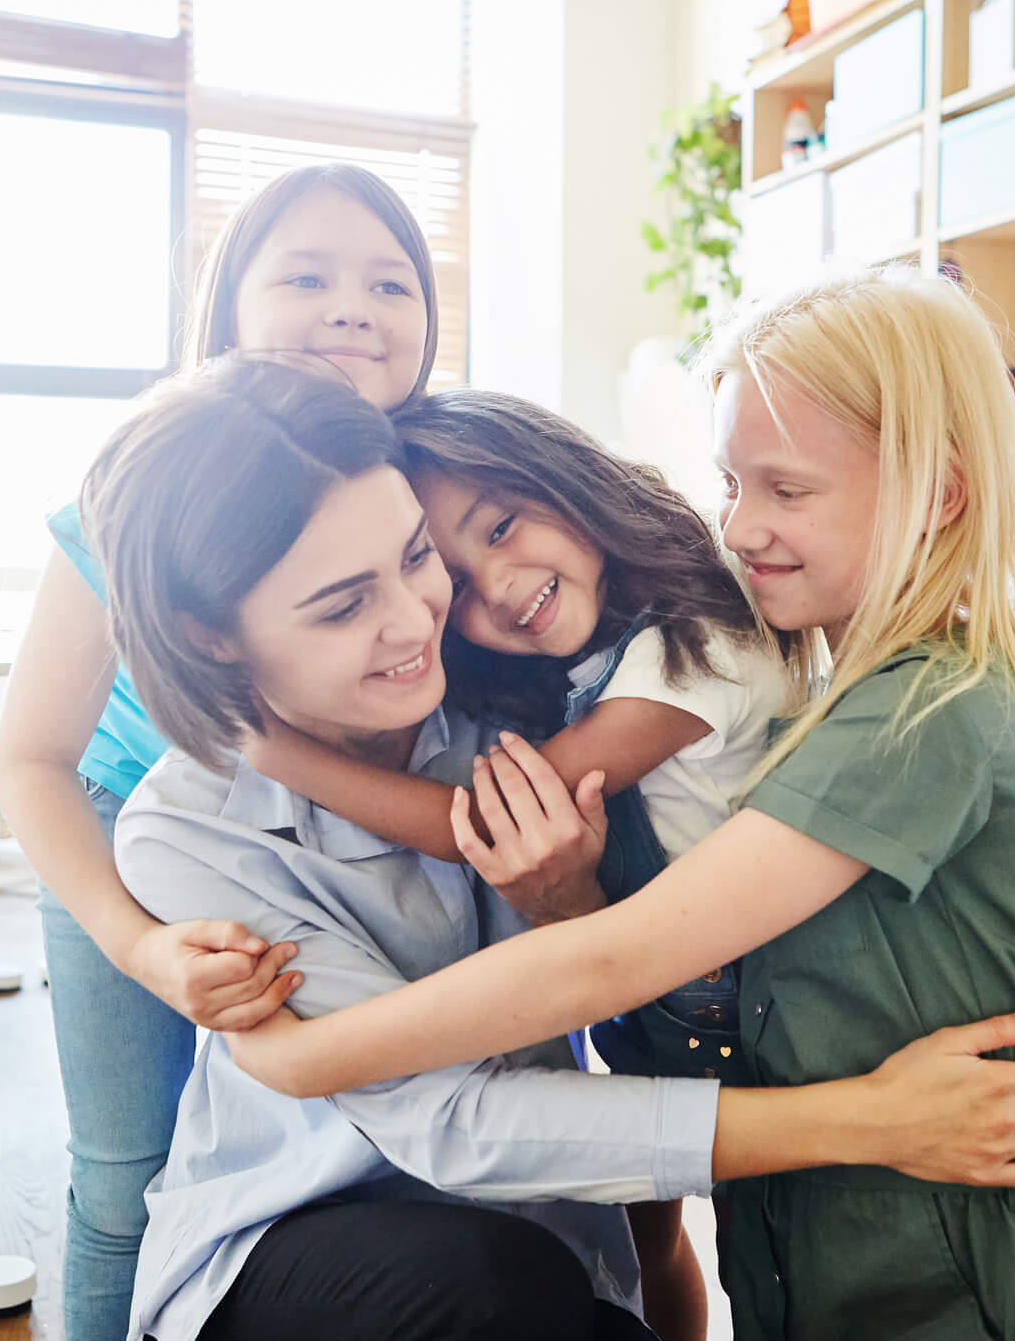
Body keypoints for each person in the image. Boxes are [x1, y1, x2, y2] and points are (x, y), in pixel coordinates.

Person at [212, 267, 1015, 1340]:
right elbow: (706, 1020)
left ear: (939, 494)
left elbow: (616, 961)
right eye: (731, 485)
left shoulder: (927, 712)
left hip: (966, 1265)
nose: (741, 529)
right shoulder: (821, 688)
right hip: (820, 1237)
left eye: (786, 490)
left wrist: (305, 1054)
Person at [0, 162, 437, 1341]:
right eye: (306, 275)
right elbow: (33, 757)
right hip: (137, 863)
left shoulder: (439, 480)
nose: (354, 307)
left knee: (396, 1155)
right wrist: (138, 946)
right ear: (225, 308)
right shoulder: (137, 488)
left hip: (344, 852)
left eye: (391, 282)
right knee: (127, 1171)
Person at [241, 386, 788, 1340]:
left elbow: (478, 823)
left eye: (500, 527)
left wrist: (277, 752)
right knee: (648, 1232)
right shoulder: (604, 653)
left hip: (732, 1001)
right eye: (450, 572)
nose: (492, 586)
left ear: (568, 481)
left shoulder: (699, 651)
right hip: (648, 983)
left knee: (761, 1238)